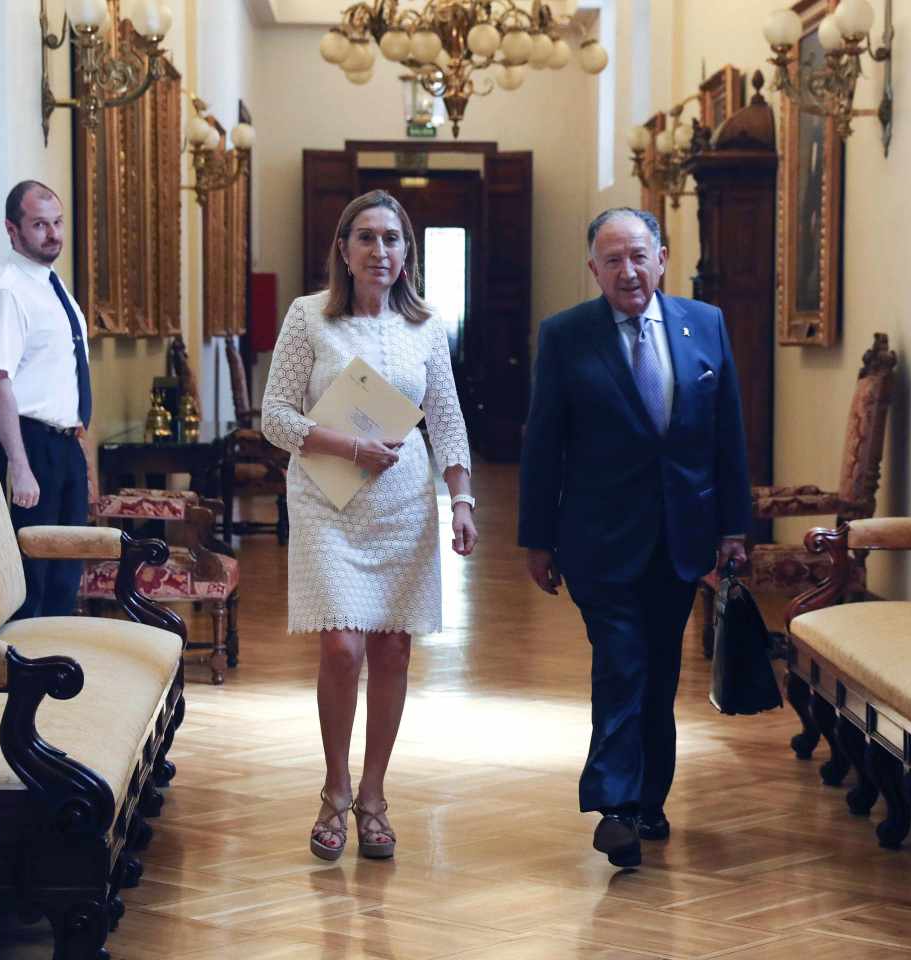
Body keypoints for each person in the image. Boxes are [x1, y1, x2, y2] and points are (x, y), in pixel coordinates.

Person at [518, 207, 750, 868]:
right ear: (593, 269)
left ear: (662, 258)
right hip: (597, 536)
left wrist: (734, 527)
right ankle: (615, 805)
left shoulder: (705, 325)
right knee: (620, 659)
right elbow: (544, 445)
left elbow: (726, 436)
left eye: (639, 255)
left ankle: (651, 797)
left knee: (660, 668)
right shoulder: (565, 336)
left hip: (683, 534)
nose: (628, 271)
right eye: (613, 259)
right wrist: (538, 539)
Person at [261, 190, 477, 862]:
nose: (380, 251)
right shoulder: (308, 319)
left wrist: (462, 499)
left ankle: (376, 797)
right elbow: (274, 417)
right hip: (328, 500)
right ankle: (334, 789)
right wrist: (349, 447)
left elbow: (445, 418)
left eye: (392, 239)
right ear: (344, 251)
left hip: (404, 505)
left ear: (406, 254)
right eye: (367, 238)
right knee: (340, 649)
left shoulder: (426, 326)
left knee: (393, 651)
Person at [0, 180, 93, 620]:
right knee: (33, 578)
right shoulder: (9, 289)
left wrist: (80, 453)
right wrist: (21, 467)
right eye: (40, 224)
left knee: (66, 574)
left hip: (63, 444)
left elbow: (63, 375)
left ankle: (58, 672)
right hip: (28, 444)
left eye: (58, 222)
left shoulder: (51, 284)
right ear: (13, 230)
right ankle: (27, 678)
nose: (53, 234)